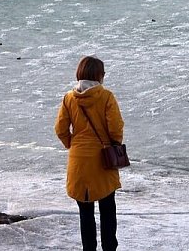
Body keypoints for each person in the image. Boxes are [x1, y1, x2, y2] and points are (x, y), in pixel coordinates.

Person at [55, 56, 124, 251]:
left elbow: (60, 129)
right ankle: (109, 248)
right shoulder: (106, 96)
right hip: (103, 160)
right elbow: (115, 128)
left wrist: (73, 145)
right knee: (107, 209)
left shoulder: (69, 98)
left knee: (85, 213)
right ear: (99, 75)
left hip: (78, 162)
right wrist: (115, 144)